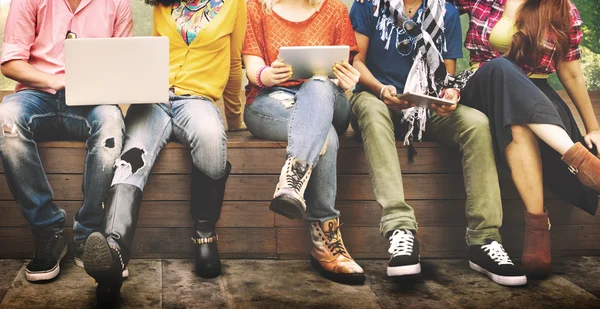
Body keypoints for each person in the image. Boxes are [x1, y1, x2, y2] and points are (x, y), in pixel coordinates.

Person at [349, 0, 527, 286]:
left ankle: (484, 240)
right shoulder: (367, 5)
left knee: (477, 123)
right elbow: (356, 61)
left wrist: (447, 97)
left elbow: (445, 75)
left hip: (424, 106)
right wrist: (381, 90)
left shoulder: (447, 12)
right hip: (377, 98)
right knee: (370, 110)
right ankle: (400, 230)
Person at [82, 0, 246, 303]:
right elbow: (152, 59)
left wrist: (235, 117)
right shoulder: (163, 4)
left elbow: (234, 62)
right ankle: (114, 253)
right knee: (131, 159)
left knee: (212, 136)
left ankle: (205, 234)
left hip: (197, 100)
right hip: (154, 100)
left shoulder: (234, 4)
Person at [451, 0, 600, 278]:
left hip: (536, 95)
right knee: (500, 67)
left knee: (518, 123)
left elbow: (572, 73)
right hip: (481, 88)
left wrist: (594, 129)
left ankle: (537, 229)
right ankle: (584, 165)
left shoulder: (562, 8)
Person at [0, 0, 131, 282]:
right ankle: (48, 232)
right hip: (37, 95)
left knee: (111, 123)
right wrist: (56, 81)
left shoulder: (118, 3)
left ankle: (90, 233)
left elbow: (124, 62)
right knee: (5, 121)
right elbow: (10, 63)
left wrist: (98, 83)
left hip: (91, 100)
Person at [242, 0, 365, 284]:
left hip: (331, 101)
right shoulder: (256, 8)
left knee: (319, 83)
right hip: (271, 102)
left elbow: (347, 66)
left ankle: (293, 179)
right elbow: (252, 67)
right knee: (326, 137)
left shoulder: (334, 10)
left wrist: (349, 82)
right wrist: (267, 75)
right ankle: (327, 245)